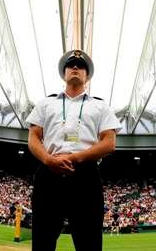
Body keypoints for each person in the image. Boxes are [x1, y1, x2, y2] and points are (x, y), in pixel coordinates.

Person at [27, 50, 121, 251]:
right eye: (71, 65)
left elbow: (109, 143)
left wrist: (75, 157)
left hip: (85, 176)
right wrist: (48, 160)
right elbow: (33, 138)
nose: (76, 68)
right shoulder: (46, 103)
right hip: (49, 172)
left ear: (87, 75)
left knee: (89, 243)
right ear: (64, 73)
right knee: (42, 241)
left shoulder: (100, 106)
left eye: (81, 66)